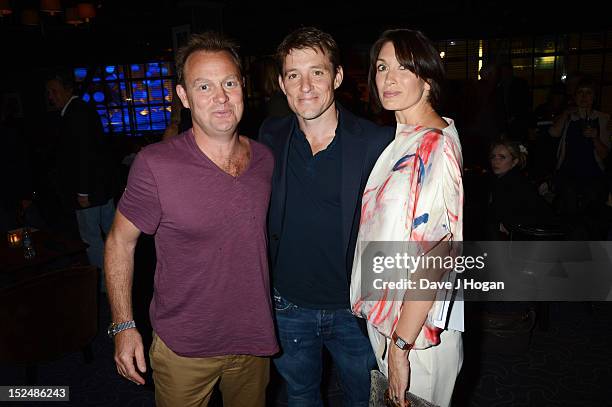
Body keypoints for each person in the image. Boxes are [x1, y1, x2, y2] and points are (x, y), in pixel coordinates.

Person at [104, 32, 278, 407]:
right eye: (204, 86)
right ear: (184, 96)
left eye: (229, 83)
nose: (221, 97)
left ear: (242, 87)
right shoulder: (156, 164)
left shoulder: (265, 159)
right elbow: (120, 242)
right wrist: (123, 325)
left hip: (254, 339)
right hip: (185, 345)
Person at [258, 27, 394, 406]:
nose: (305, 86)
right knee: (300, 396)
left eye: (317, 72)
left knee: (363, 399)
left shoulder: (375, 142)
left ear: (336, 76)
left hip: (353, 308)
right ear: (282, 84)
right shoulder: (271, 135)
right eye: (293, 75)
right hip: (289, 305)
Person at [350, 29, 464, 407]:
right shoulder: (406, 137)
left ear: (427, 78)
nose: (389, 78)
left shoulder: (434, 145)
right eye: (382, 67)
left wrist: (400, 347)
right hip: (393, 320)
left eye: (404, 68)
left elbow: (438, 254)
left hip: (416, 334)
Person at [46, 70, 116, 290]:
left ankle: (106, 285)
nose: (50, 96)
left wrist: (83, 191)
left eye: (54, 91)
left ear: (68, 89)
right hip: (102, 188)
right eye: (48, 92)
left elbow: (83, 154)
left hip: (88, 191)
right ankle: (121, 276)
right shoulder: (83, 109)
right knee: (113, 235)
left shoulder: (74, 113)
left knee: (92, 239)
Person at [549, 75, 610, 238]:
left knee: (592, 199)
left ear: (594, 97)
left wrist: (595, 137)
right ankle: (572, 239)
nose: (584, 97)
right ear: (575, 96)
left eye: (588, 93)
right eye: (580, 93)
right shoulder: (569, 116)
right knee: (569, 196)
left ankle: (588, 240)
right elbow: (553, 133)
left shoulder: (603, 119)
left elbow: (604, 154)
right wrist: (565, 114)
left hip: (592, 172)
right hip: (568, 171)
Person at [486, 139, 557, 239]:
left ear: (514, 162)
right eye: (493, 156)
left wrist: (504, 225)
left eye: (502, 157)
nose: (495, 161)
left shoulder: (513, 182)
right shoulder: (504, 180)